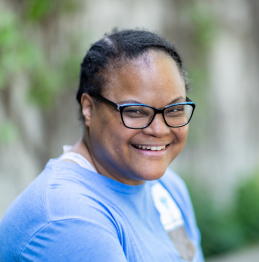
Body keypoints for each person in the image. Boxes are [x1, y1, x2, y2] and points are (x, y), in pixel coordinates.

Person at [0, 29, 204, 262]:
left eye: (175, 109)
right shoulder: (68, 216)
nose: (159, 129)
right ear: (88, 108)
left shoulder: (167, 188)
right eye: (135, 111)